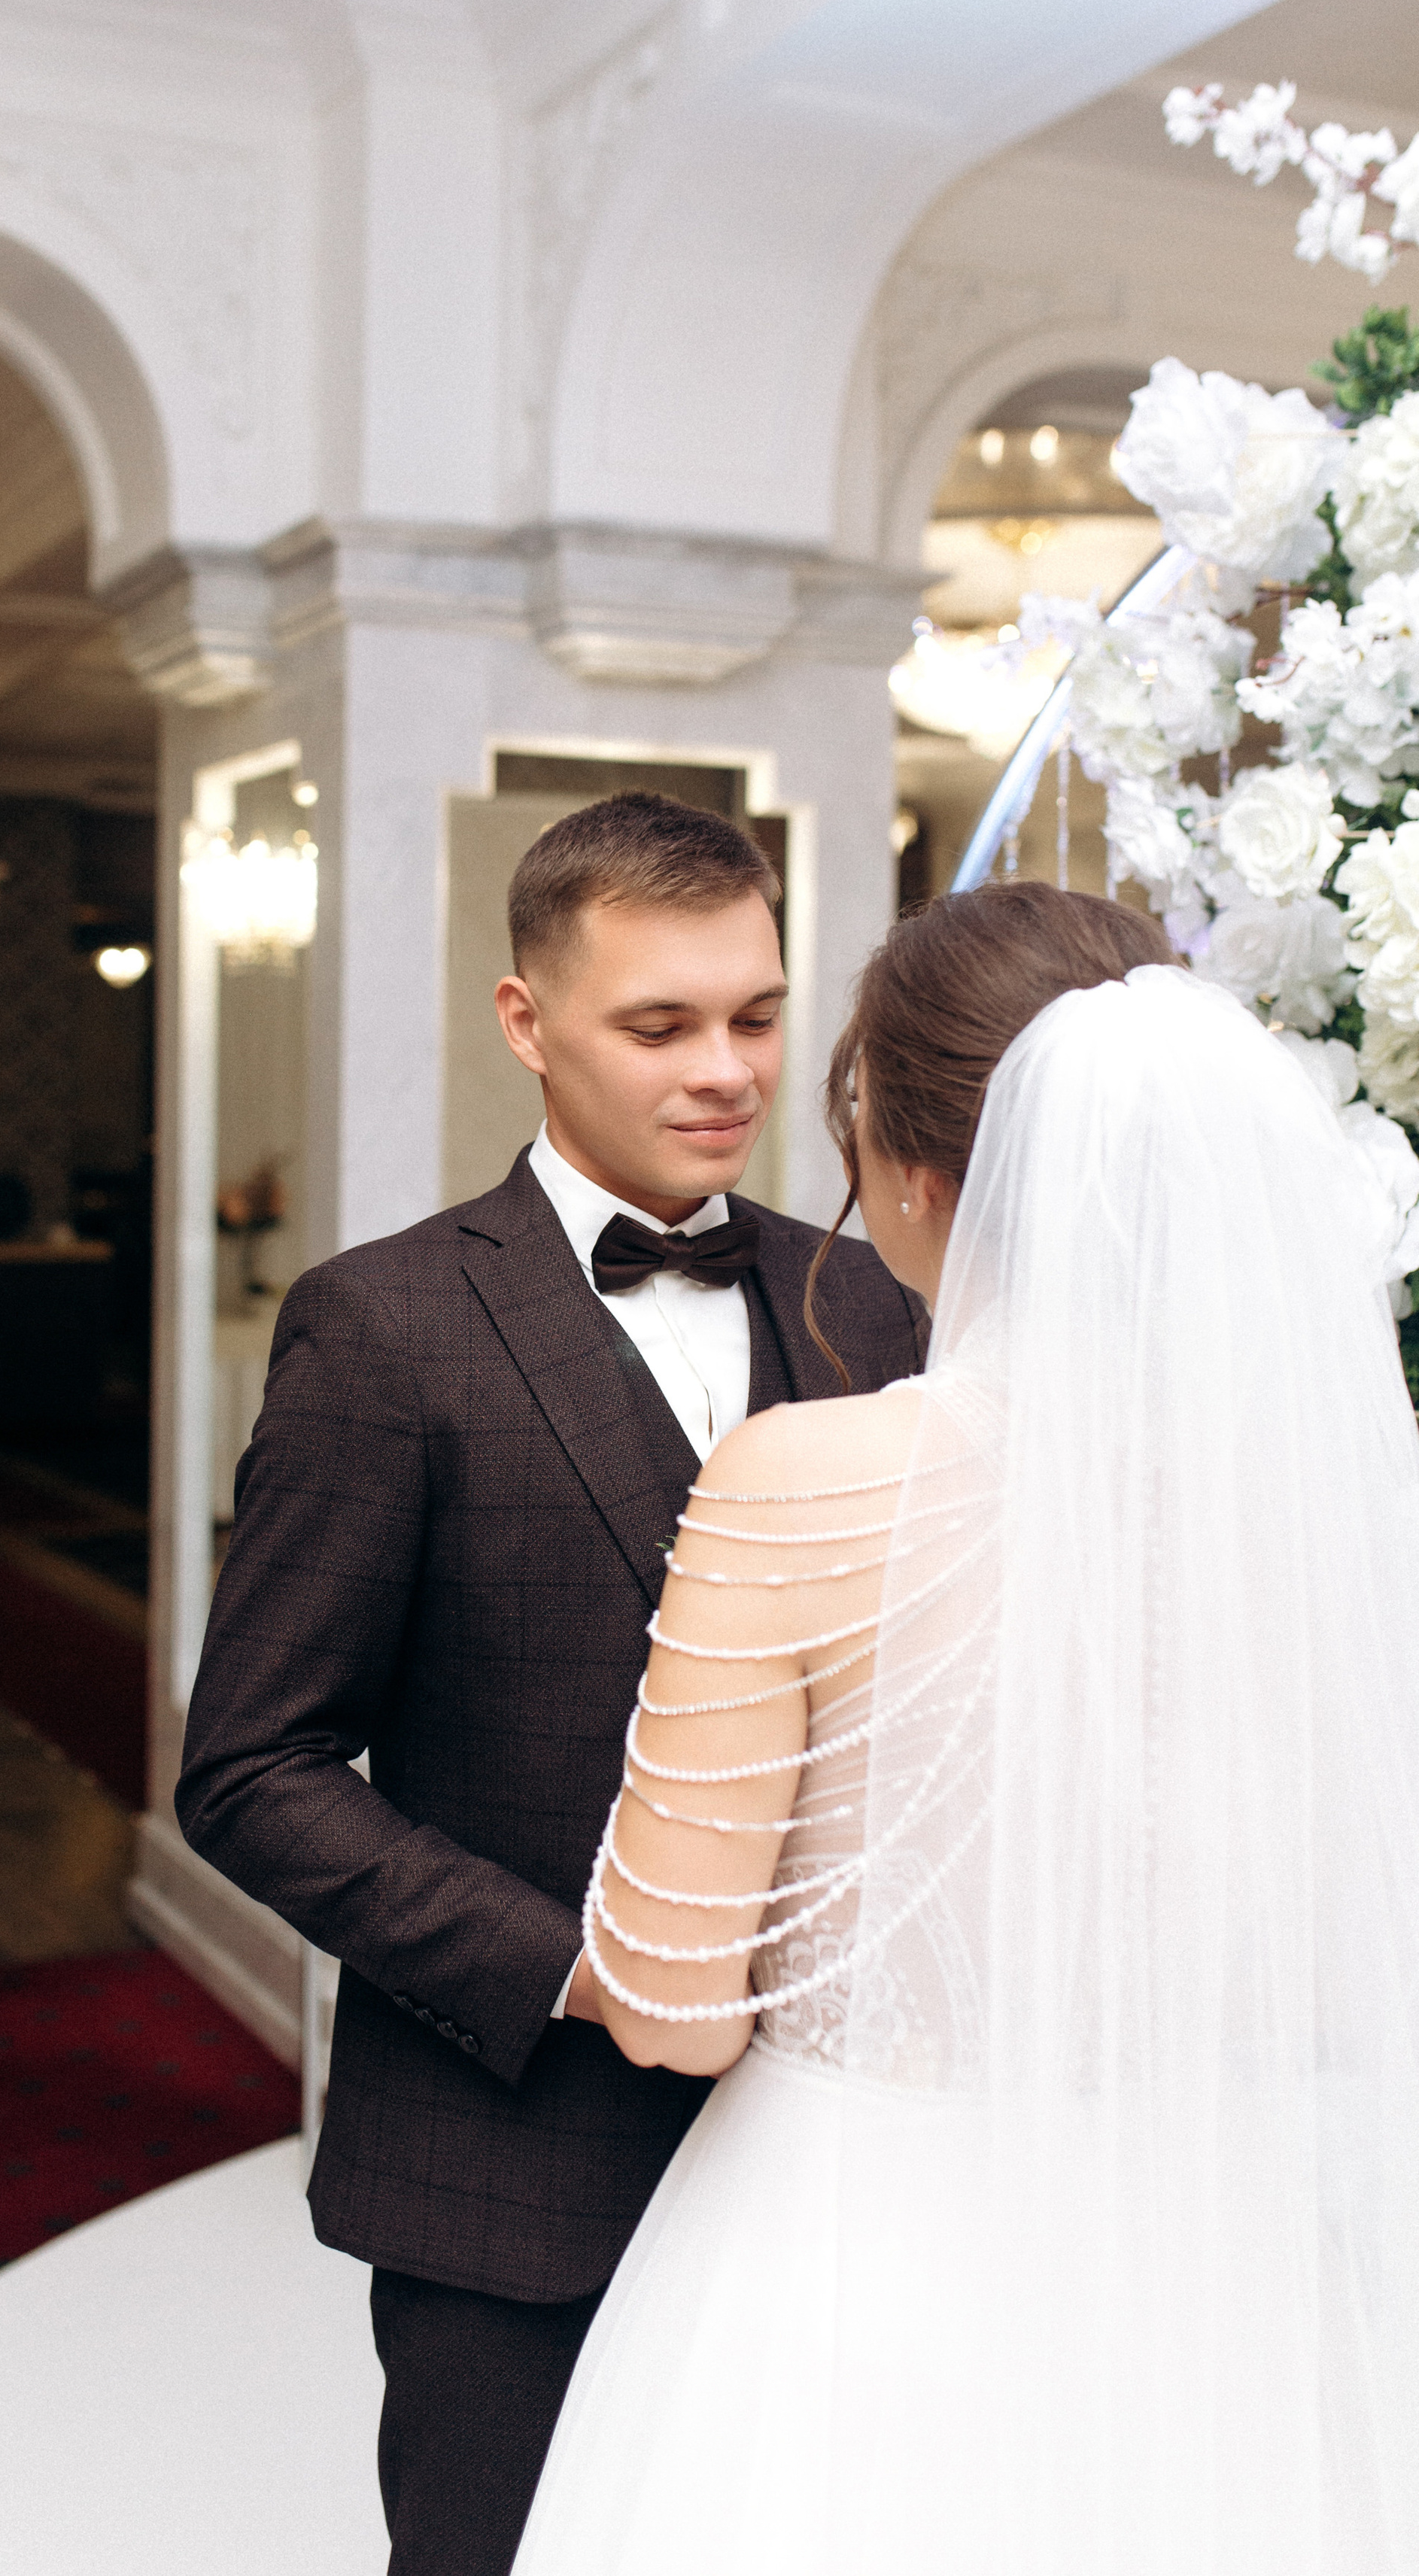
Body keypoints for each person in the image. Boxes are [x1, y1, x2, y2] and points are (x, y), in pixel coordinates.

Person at [512, 879, 1419, 2575]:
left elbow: (670, 2011)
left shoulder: (807, 1478)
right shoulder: (1340, 1504)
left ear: (923, 1174)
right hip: (1228, 2272)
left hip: (872, 2267)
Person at [175, 792, 926, 2576]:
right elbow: (252, 1769)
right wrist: (581, 1972)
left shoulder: (871, 1302)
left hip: (832, 2151)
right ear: (525, 1021)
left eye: (755, 1016)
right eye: (657, 1025)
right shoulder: (382, 1328)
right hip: (509, 2159)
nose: (724, 1071)